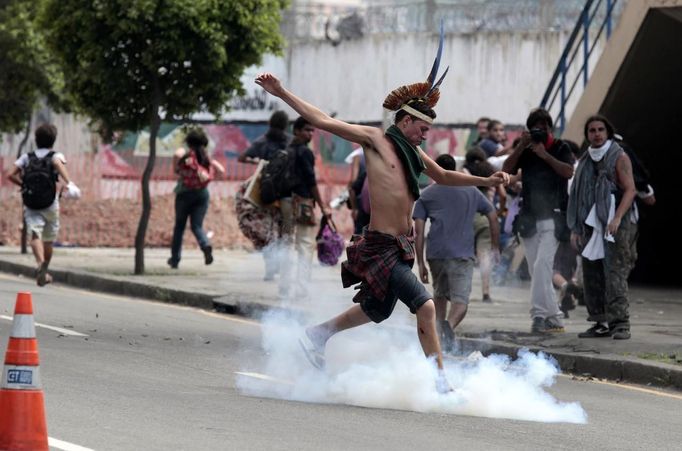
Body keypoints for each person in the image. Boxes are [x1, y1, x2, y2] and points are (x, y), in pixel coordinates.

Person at [256, 61, 509, 392]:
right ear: (405, 121)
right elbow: (323, 120)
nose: (424, 135)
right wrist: (281, 92)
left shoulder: (414, 154)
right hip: (382, 245)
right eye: (422, 129)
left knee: (376, 311)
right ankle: (441, 383)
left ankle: (319, 334)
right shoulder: (374, 139)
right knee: (427, 306)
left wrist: (486, 178)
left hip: (400, 245)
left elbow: (445, 176)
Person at [413, 154, 499, 352]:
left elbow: (418, 231)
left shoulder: (425, 194)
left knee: (440, 297)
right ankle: (449, 327)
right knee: (461, 302)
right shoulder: (472, 191)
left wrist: (420, 263)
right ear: (456, 170)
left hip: (436, 254)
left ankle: (438, 340)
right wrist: (495, 246)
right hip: (462, 255)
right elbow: (492, 216)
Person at [502, 108, 574, 334]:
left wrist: (545, 155)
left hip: (553, 216)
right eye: (535, 128)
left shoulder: (561, 147)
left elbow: (568, 171)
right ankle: (555, 317)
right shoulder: (526, 148)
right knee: (537, 271)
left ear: (550, 128)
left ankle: (539, 316)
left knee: (543, 266)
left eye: (543, 128)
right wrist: (522, 146)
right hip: (529, 217)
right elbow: (506, 170)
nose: (540, 132)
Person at [568, 115, 636, 340]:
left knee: (614, 273)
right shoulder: (586, 160)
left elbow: (630, 190)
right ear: (587, 135)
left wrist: (616, 218)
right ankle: (599, 322)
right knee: (591, 273)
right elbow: (578, 196)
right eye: (592, 131)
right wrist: (576, 228)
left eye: (600, 130)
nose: (596, 134)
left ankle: (620, 323)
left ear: (607, 133)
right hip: (590, 222)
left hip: (616, 222)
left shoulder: (619, 156)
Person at [8, 123, 81, 286]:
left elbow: (10, 174)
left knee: (35, 235)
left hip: (31, 202)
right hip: (50, 203)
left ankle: (41, 264)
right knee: (48, 239)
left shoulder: (27, 157)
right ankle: (45, 268)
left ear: (36, 139)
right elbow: (57, 163)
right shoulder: (56, 155)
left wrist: (23, 185)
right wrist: (69, 182)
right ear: (53, 140)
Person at [278, 116, 332, 301]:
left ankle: (284, 287)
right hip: (302, 205)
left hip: (285, 203)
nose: (310, 133)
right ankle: (301, 289)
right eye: (307, 130)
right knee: (305, 245)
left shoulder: (287, 149)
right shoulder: (304, 152)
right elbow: (311, 182)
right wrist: (323, 205)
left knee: (286, 244)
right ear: (297, 131)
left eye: (312, 130)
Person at [239, 110, 290, 280]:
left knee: (268, 232)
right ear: (286, 124)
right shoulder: (290, 142)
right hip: (285, 192)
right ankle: (281, 266)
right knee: (283, 232)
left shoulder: (262, 141)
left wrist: (256, 162)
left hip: (265, 193)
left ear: (270, 123)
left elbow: (242, 157)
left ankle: (270, 267)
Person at [168, 128, 225, 269]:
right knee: (197, 226)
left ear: (189, 142)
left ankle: (175, 260)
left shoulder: (187, 156)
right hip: (202, 194)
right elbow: (221, 171)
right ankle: (205, 245)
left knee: (179, 228)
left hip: (184, 194)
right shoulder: (206, 157)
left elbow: (176, 162)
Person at [463, 147, 505, 303]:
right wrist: (499, 211)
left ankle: (462, 289)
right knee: (484, 255)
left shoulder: (465, 170)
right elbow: (503, 194)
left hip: (468, 215)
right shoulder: (491, 171)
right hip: (488, 215)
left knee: (464, 253)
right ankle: (486, 292)